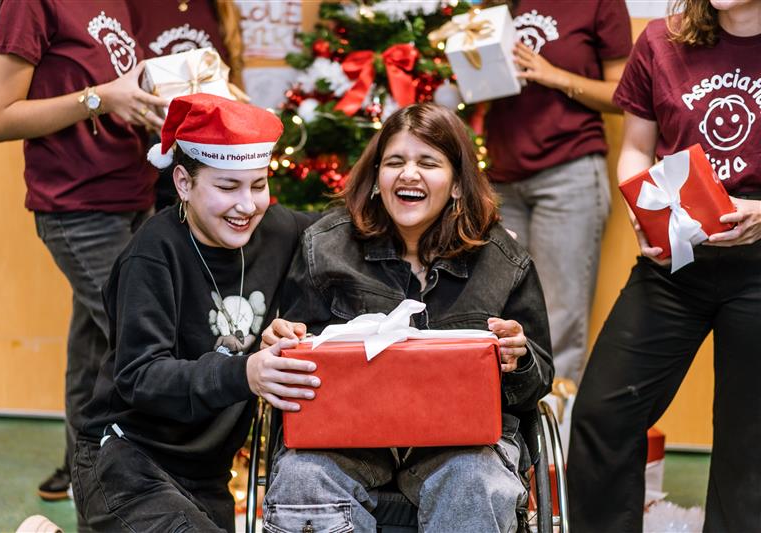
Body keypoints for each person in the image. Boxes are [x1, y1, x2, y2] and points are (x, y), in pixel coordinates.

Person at [261, 103, 554, 532]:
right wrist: (284, 343)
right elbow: (296, 363)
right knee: (304, 478)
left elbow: (539, 379)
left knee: (475, 481)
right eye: (395, 162)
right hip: (347, 439)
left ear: (456, 184)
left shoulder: (503, 261)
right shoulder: (324, 248)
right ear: (377, 178)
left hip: (464, 446)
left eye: (428, 162)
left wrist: (520, 358)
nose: (409, 174)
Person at [72, 94, 320, 533]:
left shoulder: (280, 231)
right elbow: (139, 376)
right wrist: (246, 373)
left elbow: (349, 234)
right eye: (227, 187)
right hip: (126, 459)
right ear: (184, 183)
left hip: (206, 474)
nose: (247, 206)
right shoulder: (151, 255)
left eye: (258, 185)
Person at [567, 1, 761, 530]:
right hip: (678, 256)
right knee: (601, 416)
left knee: (749, 442)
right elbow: (635, 147)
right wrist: (640, 206)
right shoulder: (661, 40)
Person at [0, 0, 166, 502]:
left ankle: (79, 469)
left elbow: (118, 93)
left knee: (93, 351)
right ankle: (136, 485)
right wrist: (100, 100)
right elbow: (1, 118)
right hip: (78, 209)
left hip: (131, 195)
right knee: (143, 341)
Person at [484, 0, 632, 383]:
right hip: (501, 178)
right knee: (499, 314)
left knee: (559, 322)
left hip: (569, 176)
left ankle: (555, 439)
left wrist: (555, 75)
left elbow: (624, 95)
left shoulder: (601, 3)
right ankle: (509, 437)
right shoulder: (497, 3)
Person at [129, 0, 246, 210]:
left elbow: (232, 75)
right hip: (154, 152)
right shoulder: (131, 6)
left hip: (214, 150)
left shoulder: (220, 8)